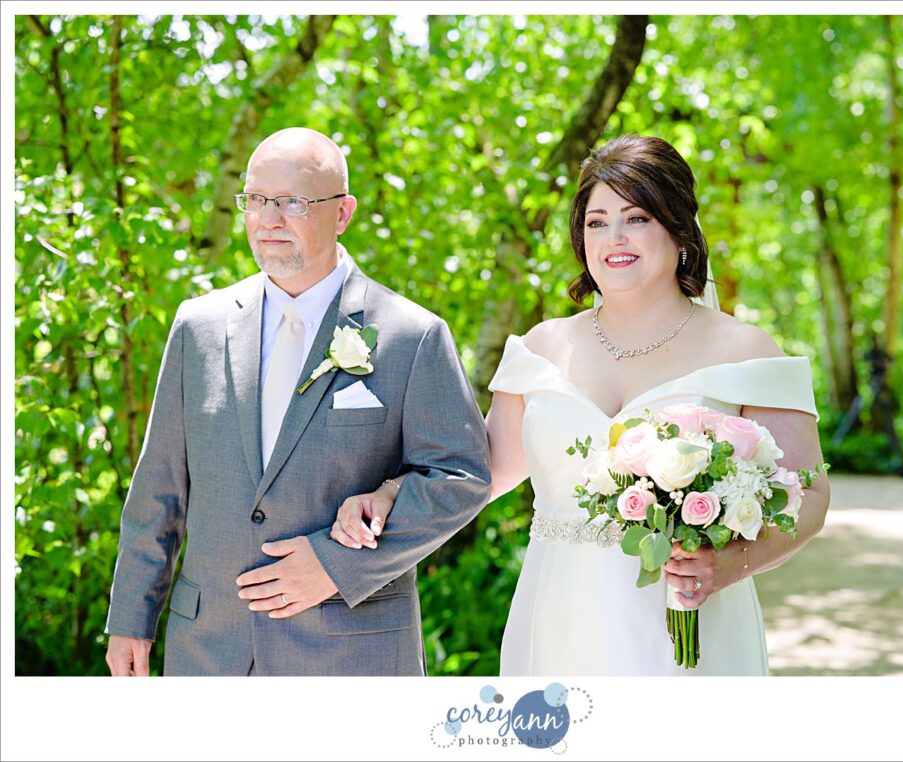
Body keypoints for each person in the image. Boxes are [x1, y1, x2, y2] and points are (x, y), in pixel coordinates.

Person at [331, 135, 830, 675]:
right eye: (597, 221)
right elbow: (479, 473)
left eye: (636, 217)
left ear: (679, 228)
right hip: (560, 619)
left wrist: (727, 566)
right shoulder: (541, 348)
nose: (614, 237)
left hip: (690, 620)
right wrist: (387, 494)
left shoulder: (747, 351)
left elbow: (809, 494)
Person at [104, 128, 491, 676]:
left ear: (342, 213)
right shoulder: (199, 327)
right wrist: (132, 617)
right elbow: (159, 486)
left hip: (350, 655)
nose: (268, 219)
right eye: (256, 200)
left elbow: (461, 477)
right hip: (210, 650)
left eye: (292, 202)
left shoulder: (412, 336)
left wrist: (336, 566)